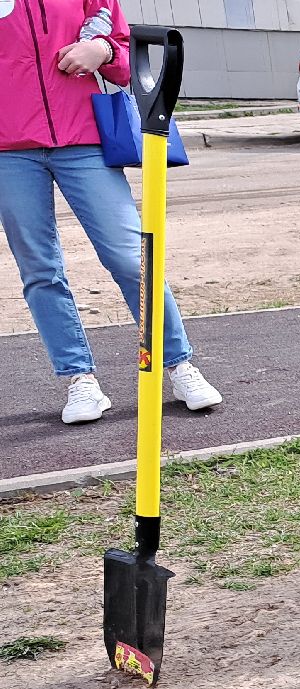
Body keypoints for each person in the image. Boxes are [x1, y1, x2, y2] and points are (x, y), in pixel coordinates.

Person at [1, 0, 223, 425]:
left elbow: (126, 60)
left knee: (130, 257)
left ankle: (177, 364)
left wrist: (101, 50)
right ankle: (79, 379)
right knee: (39, 270)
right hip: (8, 150)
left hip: (84, 139)